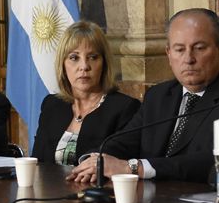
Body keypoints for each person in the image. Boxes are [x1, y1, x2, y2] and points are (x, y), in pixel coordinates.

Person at [68, 8, 219, 183]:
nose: (188, 59)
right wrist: (95, 160)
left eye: (199, 48)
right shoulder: (159, 95)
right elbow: (123, 141)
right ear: (168, 54)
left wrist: (135, 167)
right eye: (179, 49)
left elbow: (217, 161)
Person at [32, 21, 140, 165]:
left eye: (93, 57)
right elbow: (37, 161)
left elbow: (119, 165)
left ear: (104, 63)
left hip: (99, 187)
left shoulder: (124, 108)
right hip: (50, 186)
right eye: (74, 58)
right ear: (63, 65)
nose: (84, 66)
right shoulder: (52, 105)